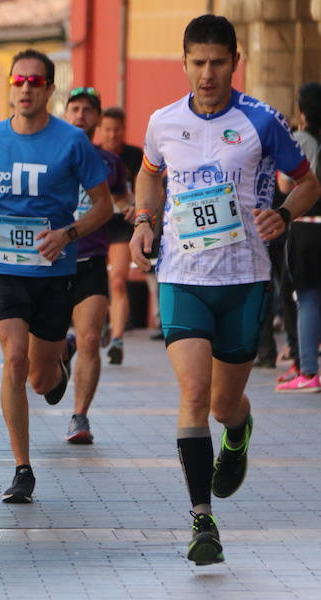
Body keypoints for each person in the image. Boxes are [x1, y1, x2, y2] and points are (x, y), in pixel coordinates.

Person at [130, 14, 319, 565]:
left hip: (244, 277)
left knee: (221, 402)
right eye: (197, 62)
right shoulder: (163, 122)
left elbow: (308, 182)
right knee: (191, 394)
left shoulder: (263, 121)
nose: (207, 73)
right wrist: (144, 218)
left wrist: (283, 213)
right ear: (184, 62)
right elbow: (148, 173)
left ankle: (238, 430)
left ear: (235, 62)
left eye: (217, 62)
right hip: (183, 276)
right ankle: (202, 522)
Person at [0, 49, 111, 503]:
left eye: (36, 82)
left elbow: (104, 206)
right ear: (10, 87)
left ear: (50, 89)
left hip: (54, 272)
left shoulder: (72, 142)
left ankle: (58, 368)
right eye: (19, 81)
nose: (26, 88)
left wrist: (68, 234)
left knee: (39, 379)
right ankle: (22, 469)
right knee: (14, 359)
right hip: (2, 269)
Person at [63, 87, 130, 444]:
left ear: (97, 117)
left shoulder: (109, 162)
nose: (81, 115)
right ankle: (62, 348)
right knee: (40, 371)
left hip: (91, 257)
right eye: (74, 108)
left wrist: (134, 208)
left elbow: (121, 195)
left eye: (88, 110)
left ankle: (80, 417)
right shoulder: (50, 151)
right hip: (49, 262)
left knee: (91, 338)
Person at [275, 82, 321, 393]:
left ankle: (307, 370)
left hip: (306, 225)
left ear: (302, 109)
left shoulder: (301, 139)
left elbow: (283, 183)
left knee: (307, 298)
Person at [98, 106, 142, 363]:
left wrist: (138, 208)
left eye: (117, 130)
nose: (113, 135)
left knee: (117, 280)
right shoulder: (93, 153)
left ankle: (117, 338)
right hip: (95, 222)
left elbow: (144, 186)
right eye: (108, 130)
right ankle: (102, 319)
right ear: (101, 131)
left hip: (121, 223)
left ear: (124, 130)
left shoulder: (133, 155)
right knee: (96, 281)